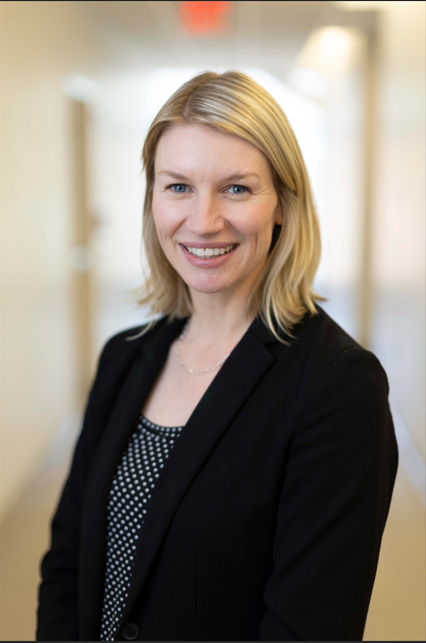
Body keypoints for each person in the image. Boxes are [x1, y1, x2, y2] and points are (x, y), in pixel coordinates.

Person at [36, 71, 398, 642]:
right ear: (152, 197)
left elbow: (309, 626)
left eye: (236, 188)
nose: (203, 222)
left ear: (282, 204)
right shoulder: (124, 358)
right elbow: (67, 564)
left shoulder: (338, 387)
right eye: (178, 186)